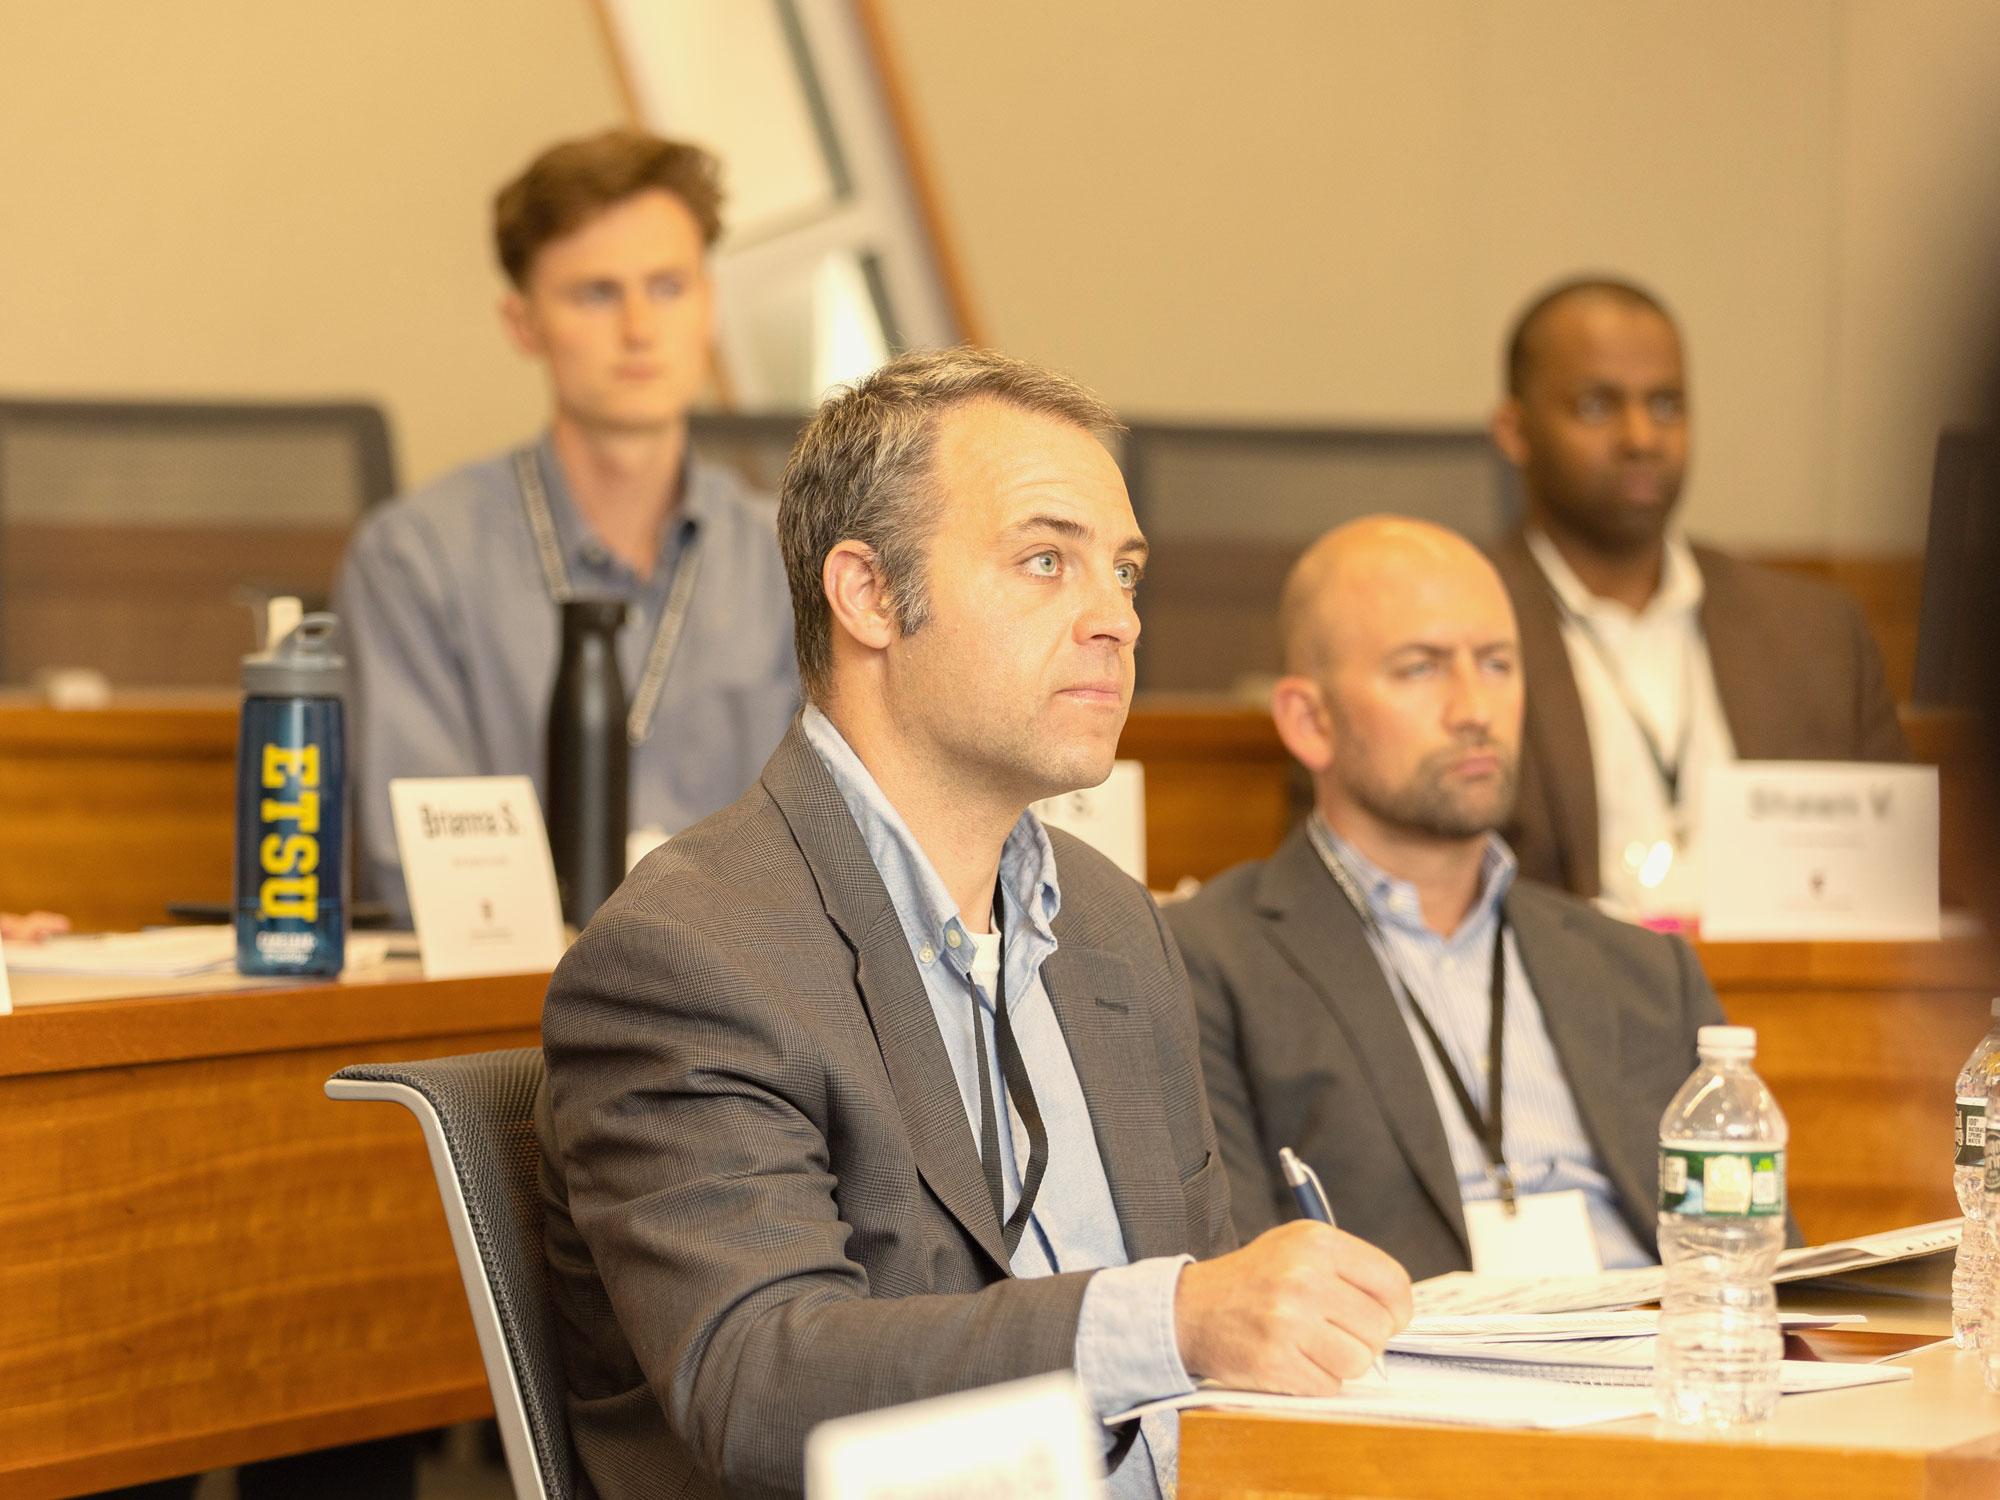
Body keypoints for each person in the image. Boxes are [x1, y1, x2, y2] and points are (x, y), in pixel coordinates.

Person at [534, 348, 1412, 1499]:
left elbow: (1213, 1362)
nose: (1115, 620)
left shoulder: (1111, 927)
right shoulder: (692, 955)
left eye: (1125, 574)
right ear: (868, 596)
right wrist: (1174, 1320)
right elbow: (759, 1382)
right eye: (1046, 561)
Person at [1168, 517, 1728, 1281]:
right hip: (1410, 1380)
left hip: (1667, 1367)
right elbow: (1237, 1292)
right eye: (1421, 669)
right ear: (1310, 721)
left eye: (1497, 664)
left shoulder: (1646, 972)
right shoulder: (1202, 964)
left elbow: (1759, 1272)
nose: (1475, 709)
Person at [335, 130, 798, 921]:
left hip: (759, 1016)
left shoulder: (798, 557)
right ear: (523, 323)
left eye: (668, 286)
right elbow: (419, 874)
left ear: (709, 305)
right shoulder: (416, 559)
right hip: (511, 1020)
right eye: (595, 293)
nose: (640, 328)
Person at [1486, 276, 1908, 916]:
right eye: (1598, 406)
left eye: (1665, 405)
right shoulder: (1455, 627)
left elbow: (1901, 885)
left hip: (1787, 1001)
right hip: (1556, 1005)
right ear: (1514, 431)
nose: (1641, 438)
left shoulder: (1815, 634)